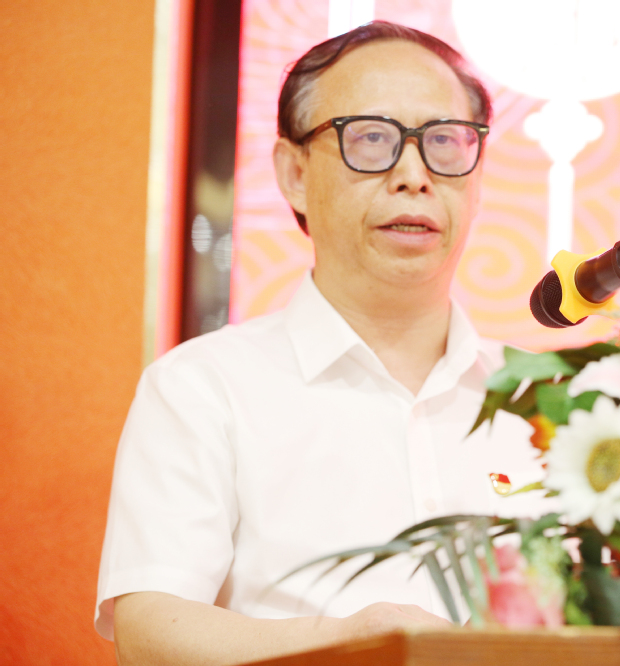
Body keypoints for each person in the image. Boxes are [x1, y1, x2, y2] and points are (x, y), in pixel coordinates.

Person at [97, 21, 543, 665]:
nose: (414, 175)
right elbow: (149, 635)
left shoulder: (547, 399)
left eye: (445, 141)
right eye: (372, 138)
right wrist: (356, 645)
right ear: (294, 172)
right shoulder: (203, 387)